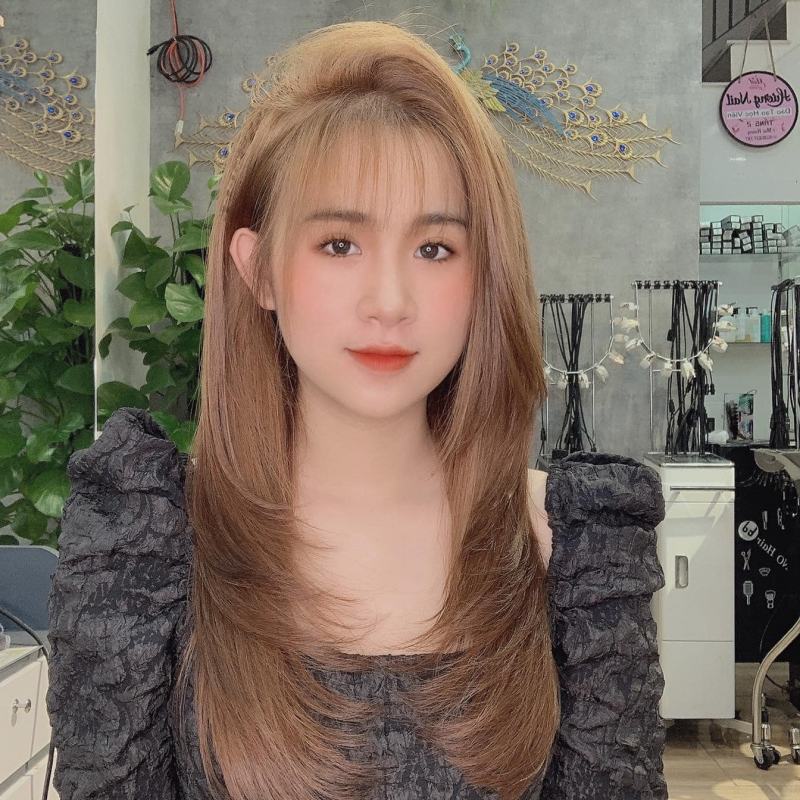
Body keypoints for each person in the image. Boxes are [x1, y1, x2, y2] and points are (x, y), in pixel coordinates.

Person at [46, 18, 668, 800]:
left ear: (484, 276)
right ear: (258, 270)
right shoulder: (153, 546)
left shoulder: (566, 547)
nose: (389, 301)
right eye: (339, 243)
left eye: (434, 248)